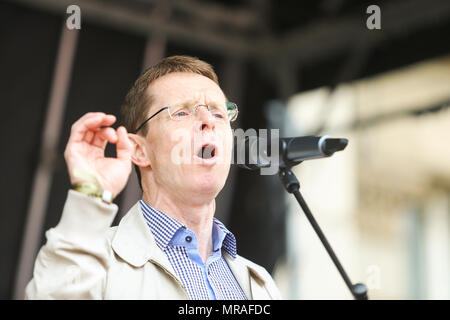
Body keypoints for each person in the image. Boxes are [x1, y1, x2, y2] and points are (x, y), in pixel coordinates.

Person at [25, 55, 281, 300]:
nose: (208, 121)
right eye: (182, 112)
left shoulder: (258, 283)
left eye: (218, 113)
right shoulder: (95, 260)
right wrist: (91, 194)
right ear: (139, 150)